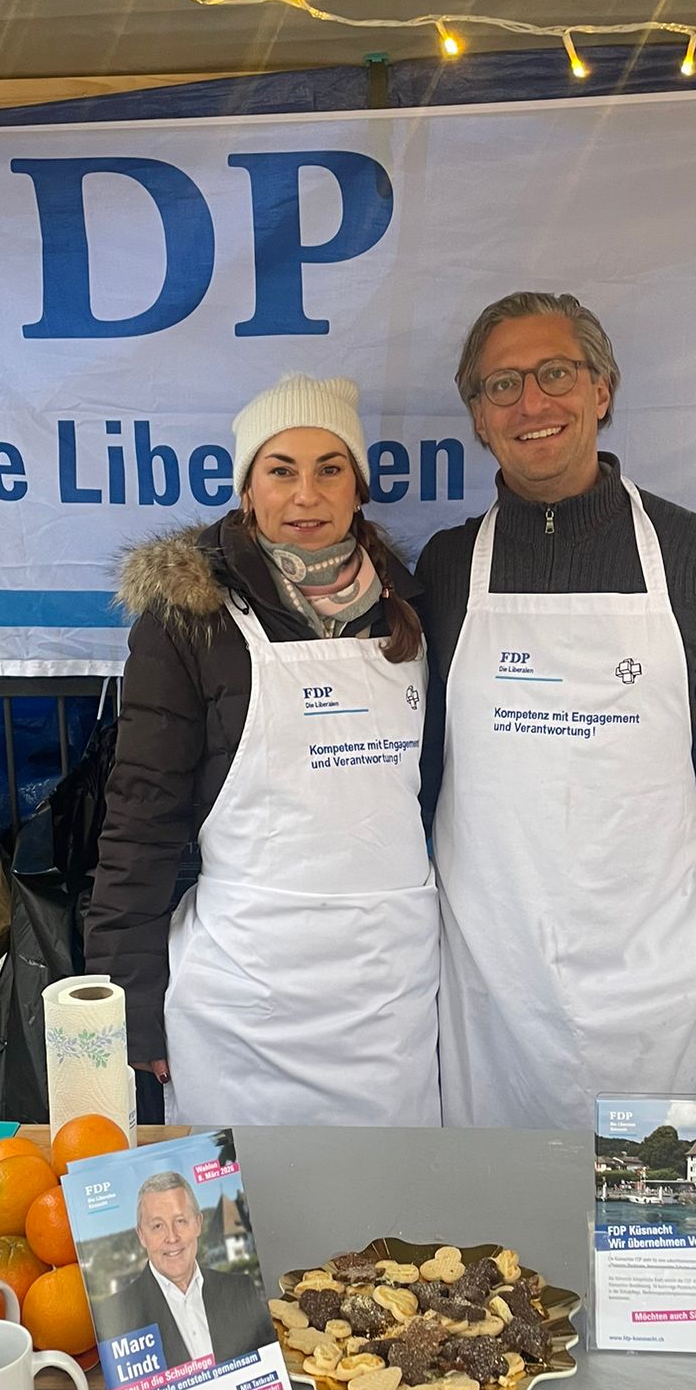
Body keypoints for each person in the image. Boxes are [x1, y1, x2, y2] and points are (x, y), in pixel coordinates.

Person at [415, 291, 696, 1129]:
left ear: (601, 389)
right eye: (502, 385)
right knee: (497, 1209)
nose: (532, 403)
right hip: (491, 985)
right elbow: (414, 767)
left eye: (555, 373)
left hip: (660, 982)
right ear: (479, 417)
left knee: (673, 1207)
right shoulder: (445, 567)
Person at [85, 374, 440, 1127]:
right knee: (246, 1193)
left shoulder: (411, 610)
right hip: (248, 993)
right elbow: (142, 817)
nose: (307, 495)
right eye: (282, 471)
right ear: (248, 490)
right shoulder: (192, 622)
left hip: (389, 993)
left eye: (330, 469)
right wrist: (129, 1001)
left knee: (388, 1198)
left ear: (358, 488)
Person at [93, 1171, 273, 1364]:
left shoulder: (241, 1289)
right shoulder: (115, 1316)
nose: (172, 1237)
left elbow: (271, 1363)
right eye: (157, 1226)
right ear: (142, 1236)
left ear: (198, 1224)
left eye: (180, 1221)